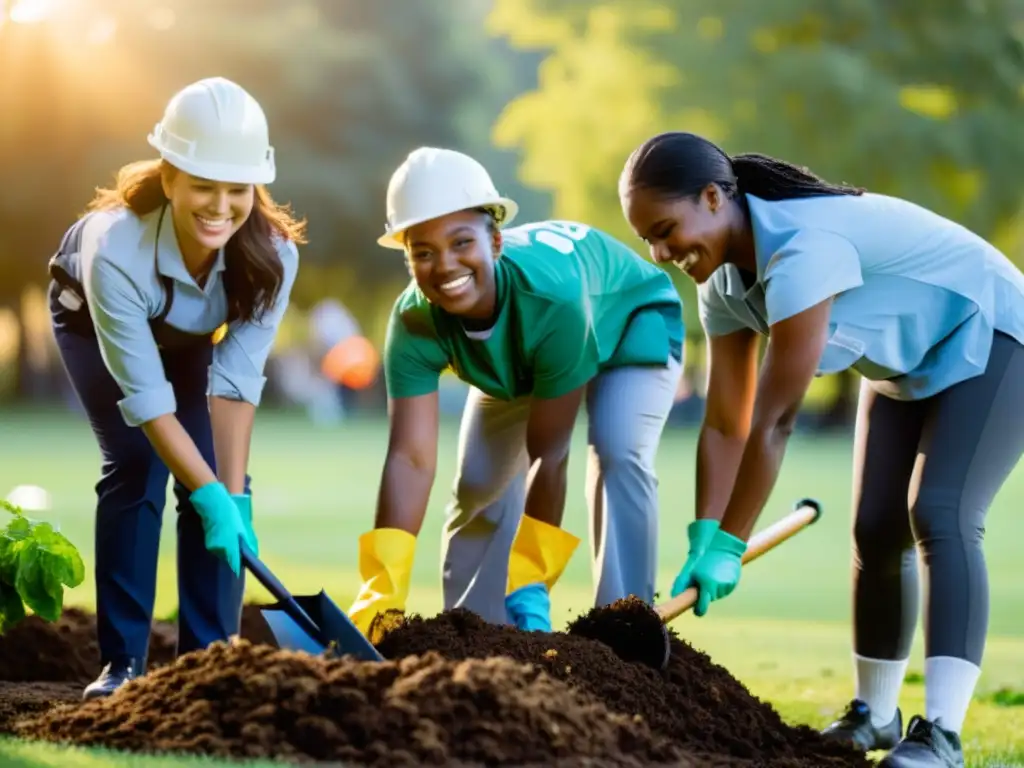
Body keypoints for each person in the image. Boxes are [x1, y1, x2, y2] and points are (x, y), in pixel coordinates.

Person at [617, 131, 1024, 768]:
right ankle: (876, 715)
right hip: (905, 363)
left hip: (993, 331)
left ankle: (941, 734)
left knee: (940, 513)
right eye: (649, 240)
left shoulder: (804, 248)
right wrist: (705, 534)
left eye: (666, 229)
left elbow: (774, 421)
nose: (662, 252)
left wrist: (733, 543)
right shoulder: (720, 285)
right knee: (874, 526)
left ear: (713, 198)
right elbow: (726, 420)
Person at [348, 147, 684, 637]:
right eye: (423, 252)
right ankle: (474, 635)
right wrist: (383, 588)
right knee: (480, 481)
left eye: (461, 242)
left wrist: (531, 577)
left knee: (616, 449)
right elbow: (410, 458)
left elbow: (548, 455)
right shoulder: (413, 319)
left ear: (496, 242)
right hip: (525, 359)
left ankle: (624, 622)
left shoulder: (553, 300)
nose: (444, 265)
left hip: (629, 321)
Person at [48, 77, 304, 700]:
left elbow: (237, 384)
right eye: (202, 186)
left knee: (214, 476)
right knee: (138, 463)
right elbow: (148, 400)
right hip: (93, 321)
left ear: (255, 188)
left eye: (236, 188)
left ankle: (208, 664)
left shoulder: (273, 255)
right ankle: (123, 665)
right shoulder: (115, 248)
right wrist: (212, 492)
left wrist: (231, 495)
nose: (221, 205)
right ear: (169, 180)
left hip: (188, 339)